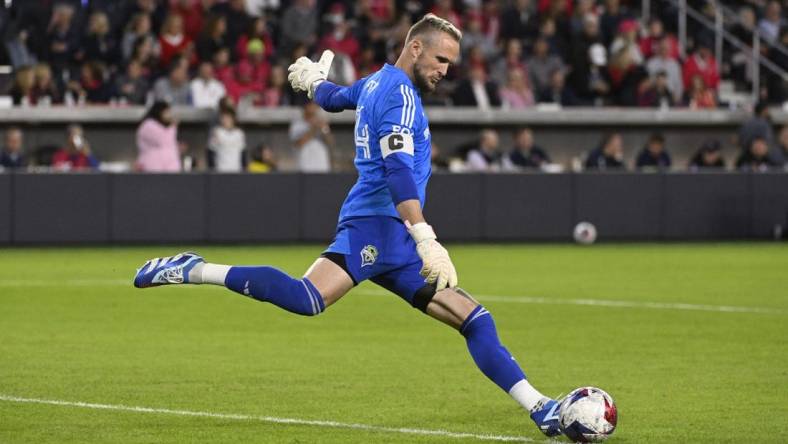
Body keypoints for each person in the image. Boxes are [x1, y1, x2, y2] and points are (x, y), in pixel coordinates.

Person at [133, 14, 564, 439]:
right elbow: (398, 171)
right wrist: (425, 236)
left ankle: (540, 408)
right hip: (376, 226)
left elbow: (337, 98)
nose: (445, 70)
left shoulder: (376, 82)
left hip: (396, 236)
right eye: (441, 59)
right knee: (308, 298)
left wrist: (313, 83)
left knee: (476, 320)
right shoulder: (400, 97)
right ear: (415, 47)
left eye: (450, 62)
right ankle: (196, 269)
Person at [136, 101, 181, 172]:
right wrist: (173, 126)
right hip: (153, 168)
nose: (170, 115)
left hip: (167, 169)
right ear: (159, 112)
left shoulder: (164, 126)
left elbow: (168, 145)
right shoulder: (148, 124)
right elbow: (163, 141)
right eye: (167, 112)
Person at [289, 102, 333, 172]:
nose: (316, 108)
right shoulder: (297, 124)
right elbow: (298, 144)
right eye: (313, 105)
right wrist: (313, 128)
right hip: (305, 168)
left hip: (322, 167)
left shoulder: (321, 122)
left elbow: (330, 142)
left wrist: (324, 129)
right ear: (306, 107)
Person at [207, 108, 246, 172]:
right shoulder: (217, 132)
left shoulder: (239, 133)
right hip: (221, 170)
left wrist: (244, 169)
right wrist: (212, 170)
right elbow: (210, 152)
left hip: (237, 170)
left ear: (233, 119)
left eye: (228, 118)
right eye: (223, 118)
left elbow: (243, 153)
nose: (225, 120)